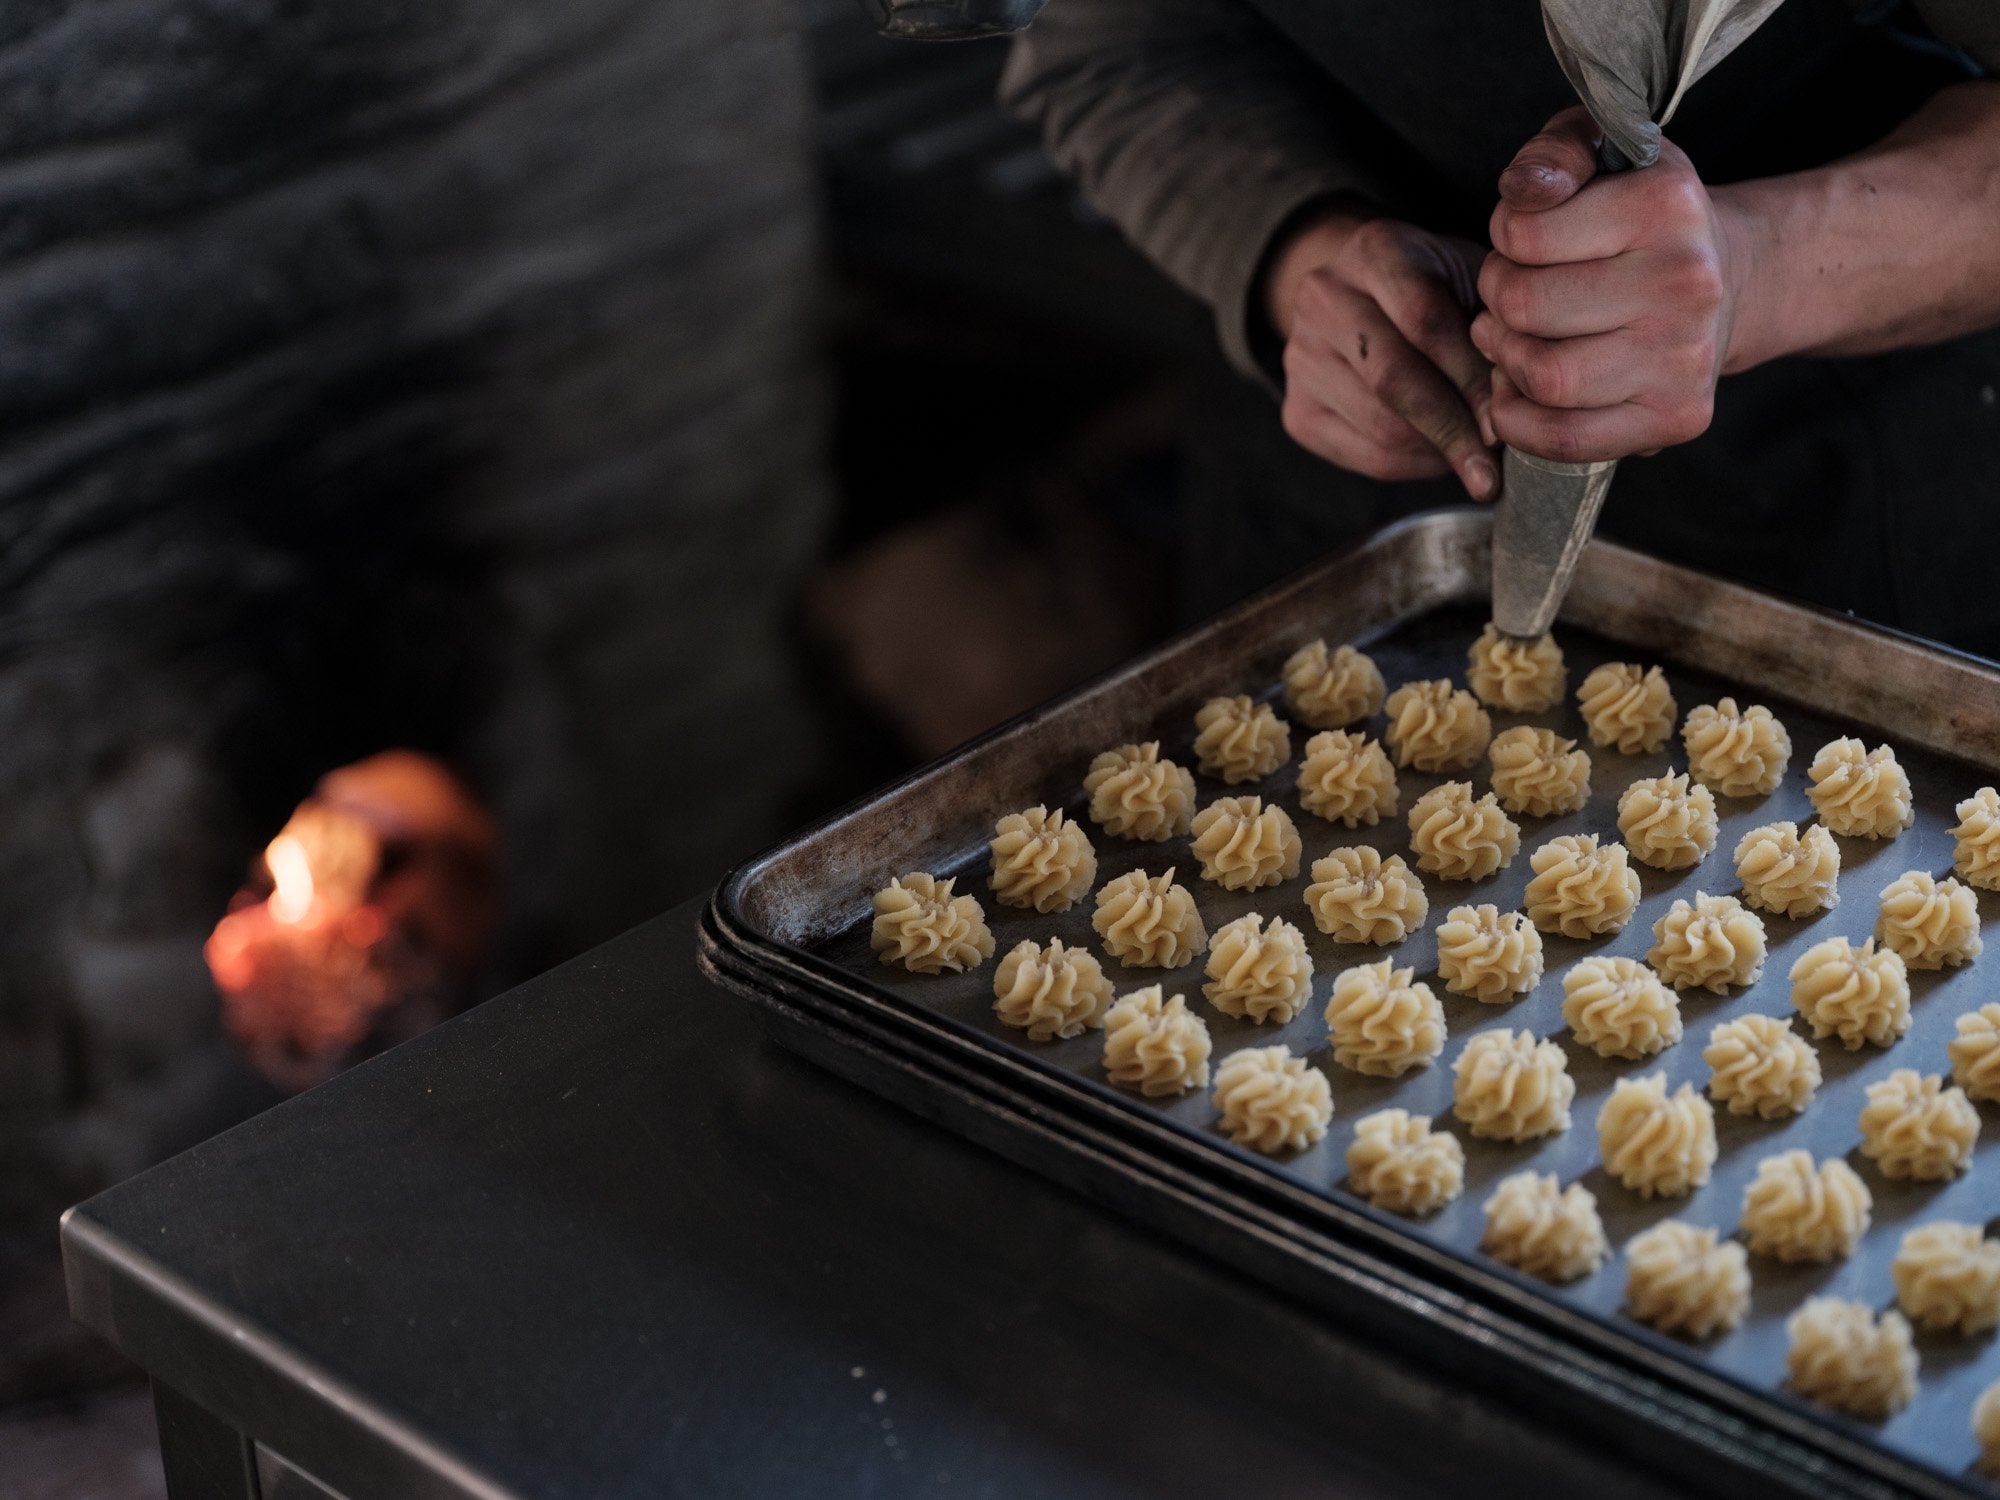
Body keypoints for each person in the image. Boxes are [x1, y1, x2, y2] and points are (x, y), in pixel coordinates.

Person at [1000, 2, 2000, 653]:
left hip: (1842, 542)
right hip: (1334, 522)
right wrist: (1294, 254)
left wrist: (1761, 267)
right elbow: (1108, 47)